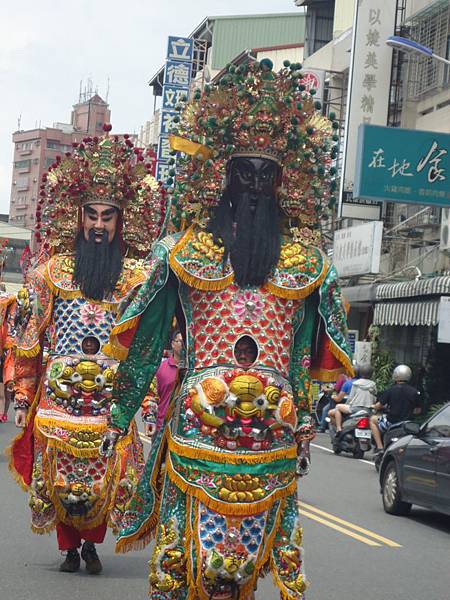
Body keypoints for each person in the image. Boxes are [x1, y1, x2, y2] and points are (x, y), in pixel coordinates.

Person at [100, 59, 353, 599]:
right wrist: (120, 415)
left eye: (268, 175)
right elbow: (146, 348)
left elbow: (300, 360)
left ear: (286, 182)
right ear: (220, 175)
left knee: (241, 569)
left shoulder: (305, 264)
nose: (256, 186)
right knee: (188, 561)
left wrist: (304, 419)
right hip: (198, 429)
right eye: (244, 172)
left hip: (271, 434)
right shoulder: (185, 254)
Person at [8, 126, 166, 574]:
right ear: (78, 219)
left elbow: (143, 352)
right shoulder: (52, 272)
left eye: (107, 216)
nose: (98, 225)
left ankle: (92, 543)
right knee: (58, 477)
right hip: (58, 398)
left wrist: (146, 401)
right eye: (91, 215)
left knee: (103, 479)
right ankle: (69, 546)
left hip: (109, 403)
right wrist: (23, 395)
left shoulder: (136, 279)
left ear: (121, 221)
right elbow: (30, 339)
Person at [141, 329, 184, 436]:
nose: (184, 346)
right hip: (161, 428)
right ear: (173, 344)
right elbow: (150, 396)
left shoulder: (194, 370)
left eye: (187, 343)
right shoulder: (160, 368)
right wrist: (150, 420)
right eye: (180, 342)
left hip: (185, 431)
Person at [370, 364, 420, 454]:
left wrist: (373, 406)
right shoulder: (415, 392)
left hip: (391, 422)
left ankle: (379, 447)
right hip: (407, 424)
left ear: (396, 375)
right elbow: (418, 411)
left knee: (372, 420)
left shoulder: (391, 390)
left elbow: (379, 406)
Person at [329, 364, 376, 433]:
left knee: (338, 407)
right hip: (368, 410)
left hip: (355, 409)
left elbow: (351, 398)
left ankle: (339, 428)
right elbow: (374, 397)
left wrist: (348, 405)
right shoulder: (373, 384)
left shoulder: (356, 383)